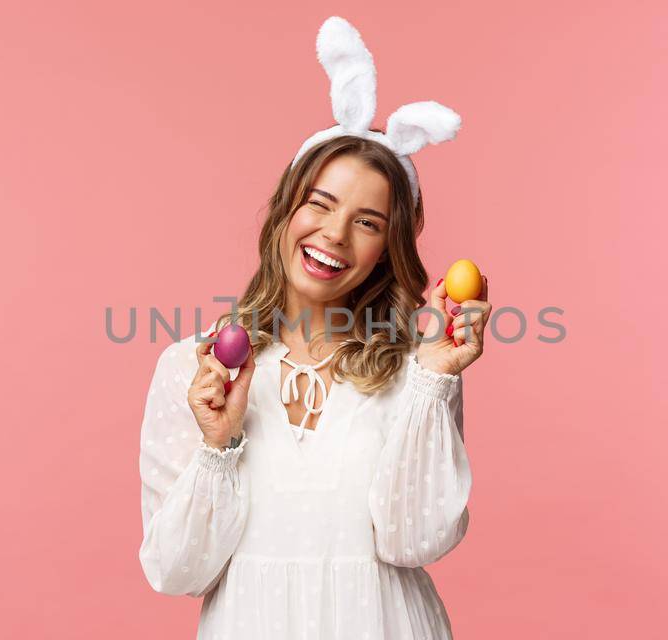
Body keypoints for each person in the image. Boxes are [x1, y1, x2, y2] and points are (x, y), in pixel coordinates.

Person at [137, 17, 488, 639]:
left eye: (368, 222)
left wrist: (434, 378)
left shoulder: (419, 370)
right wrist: (219, 445)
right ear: (284, 211)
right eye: (320, 204)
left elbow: (416, 541)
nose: (334, 233)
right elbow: (175, 572)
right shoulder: (196, 370)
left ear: (388, 248)